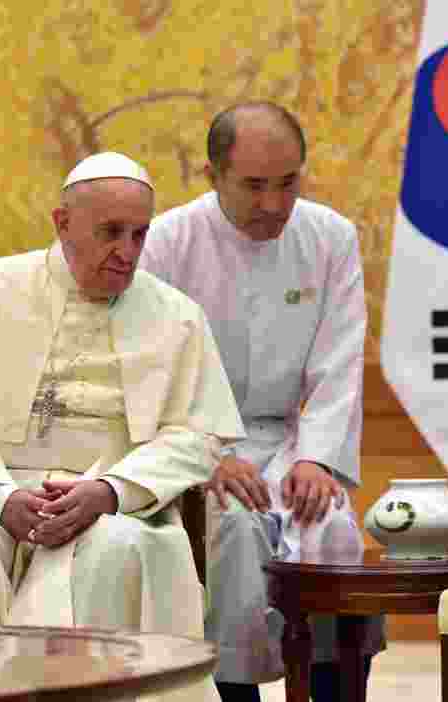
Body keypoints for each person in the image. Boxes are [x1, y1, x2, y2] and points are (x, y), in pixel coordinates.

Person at [0, 152, 245, 702]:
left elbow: (195, 436)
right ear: (62, 222)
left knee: (118, 547)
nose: (128, 253)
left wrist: (109, 491)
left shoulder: (177, 315)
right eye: (111, 233)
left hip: (112, 493)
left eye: (140, 235)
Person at [139, 101, 382, 702]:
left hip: (290, 441)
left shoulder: (329, 238)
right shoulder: (169, 242)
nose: (274, 204)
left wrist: (317, 460)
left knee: (330, 529)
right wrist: (203, 457)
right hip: (200, 445)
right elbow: (150, 372)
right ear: (212, 175)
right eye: (253, 186)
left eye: (288, 182)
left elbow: (339, 359)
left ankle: (337, 690)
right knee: (239, 534)